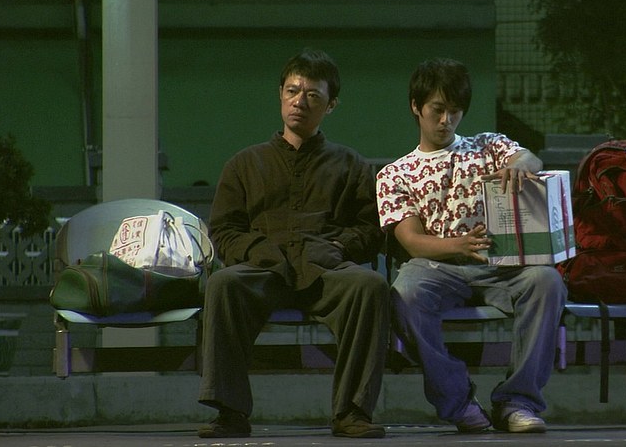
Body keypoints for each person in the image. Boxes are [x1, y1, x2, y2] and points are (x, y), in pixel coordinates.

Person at [197, 49, 390, 439]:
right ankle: (230, 412)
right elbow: (224, 229)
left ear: (331, 105)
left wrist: (338, 248)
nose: (300, 101)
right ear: (281, 95)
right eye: (292, 90)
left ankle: (352, 411)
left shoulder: (351, 165)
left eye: (313, 95)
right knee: (224, 283)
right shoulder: (244, 164)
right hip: (264, 271)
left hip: (325, 271)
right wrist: (259, 251)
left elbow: (371, 229)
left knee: (370, 286)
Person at [376, 57, 567, 434]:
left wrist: (521, 164)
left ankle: (517, 401)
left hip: (499, 264)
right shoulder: (396, 173)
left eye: (455, 110)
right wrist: (457, 245)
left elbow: (529, 157)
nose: (446, 120)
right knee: (404, 295)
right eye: (437, 109)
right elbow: (412, 241)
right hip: (436, 266)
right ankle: (457, 399)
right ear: (416, 107)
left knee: (547, 281)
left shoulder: (486, 145)